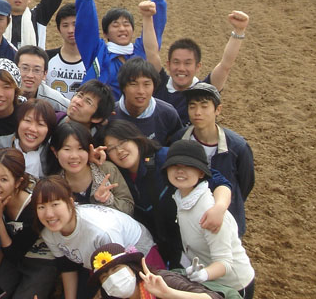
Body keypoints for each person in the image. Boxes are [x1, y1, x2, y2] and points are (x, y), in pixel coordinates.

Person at [99, 120, 233, 269]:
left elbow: (218, 181)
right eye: (111, 148)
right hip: (159, 249)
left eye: (123, 142)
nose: (119, 151)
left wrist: (219, 208)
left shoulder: (166, 157)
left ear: (136, 138)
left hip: (195, 243)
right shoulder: (115, 176)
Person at [33, 176, 157, 299]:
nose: (49, 214)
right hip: (98, 267)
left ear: (70, 203)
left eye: (55, 204)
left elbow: (119, 277)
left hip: (135, 254)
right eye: (41, 207)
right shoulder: (49, 233)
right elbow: (68, 267)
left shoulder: (100, 231)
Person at [163, 140, 255, 298]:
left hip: (234, 286)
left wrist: (204, 274)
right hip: (211, 282)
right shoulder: (182, 198)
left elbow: (225, 263)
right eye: (174, 165)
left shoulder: (208, 210)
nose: (180, 171)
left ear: (201, 173)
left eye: (188, 166)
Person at [75, 0, 167, 99]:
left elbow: (156, 24)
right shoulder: (98, 52)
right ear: (105, 33)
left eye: (126, 24)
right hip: (103, 112)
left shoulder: (141, 51)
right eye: (115, 25)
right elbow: (86, 24)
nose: (122, 29)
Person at [174, 84, 254, 236]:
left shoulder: (238, 147)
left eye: (204, 106)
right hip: (189, 220)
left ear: (218, 110)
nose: (197, 112)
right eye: (192, 106)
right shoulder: (178, 140)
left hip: (226, 220)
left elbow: (245, 183)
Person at [0, 148, 57, 299]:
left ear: (18, 182)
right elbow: (3, 246)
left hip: (41, 261)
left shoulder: (34, 207)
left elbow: (15, 253)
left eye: (4, 179)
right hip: (11, 260)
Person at [149, 12, 250, 124]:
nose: (181, 68)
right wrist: (147, 17)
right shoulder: (160, 85)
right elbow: (151, 52)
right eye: (176, 62)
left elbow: (225, 65)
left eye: (187, 63)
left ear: (198, 67)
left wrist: (239, 31)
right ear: (168, 65)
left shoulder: (205, 90)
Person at [88, 243, 232, 299]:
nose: (112, 278)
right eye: (104, 277)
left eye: (116, 269)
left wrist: (168, 293)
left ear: (132, 267)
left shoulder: (161, 280)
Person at [49, 121, 133, 215]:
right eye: (67, 149)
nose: (74, 156)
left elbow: (129, 208)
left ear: (89, 149)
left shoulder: (107, 169)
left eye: (80, 148)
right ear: (55, 152)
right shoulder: (54, 185)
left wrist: (108, 200)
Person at [111, 58, 181, 146]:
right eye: (133, 84)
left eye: (146, 84)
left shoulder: (168, 113)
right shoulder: (110, 114)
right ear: (123, 87)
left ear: (154, 86)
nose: (141, 91)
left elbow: (178, 148)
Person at [9, 99, 58, 178]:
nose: (32, 129)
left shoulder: (54, 159)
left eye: (40, 124)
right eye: (28, 120)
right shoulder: (1, 146)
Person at [46, 3, 85, 100]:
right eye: (65, 25)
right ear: (59, 29)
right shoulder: (46, 58)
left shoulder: (94, 60)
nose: (70, 30)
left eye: (75, 24)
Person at [16, 45, 70, 112]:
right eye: (25, 68)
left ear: (45, 74)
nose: (30, 75)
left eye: (37, 70)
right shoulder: (6, 93)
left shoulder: (53, 99)